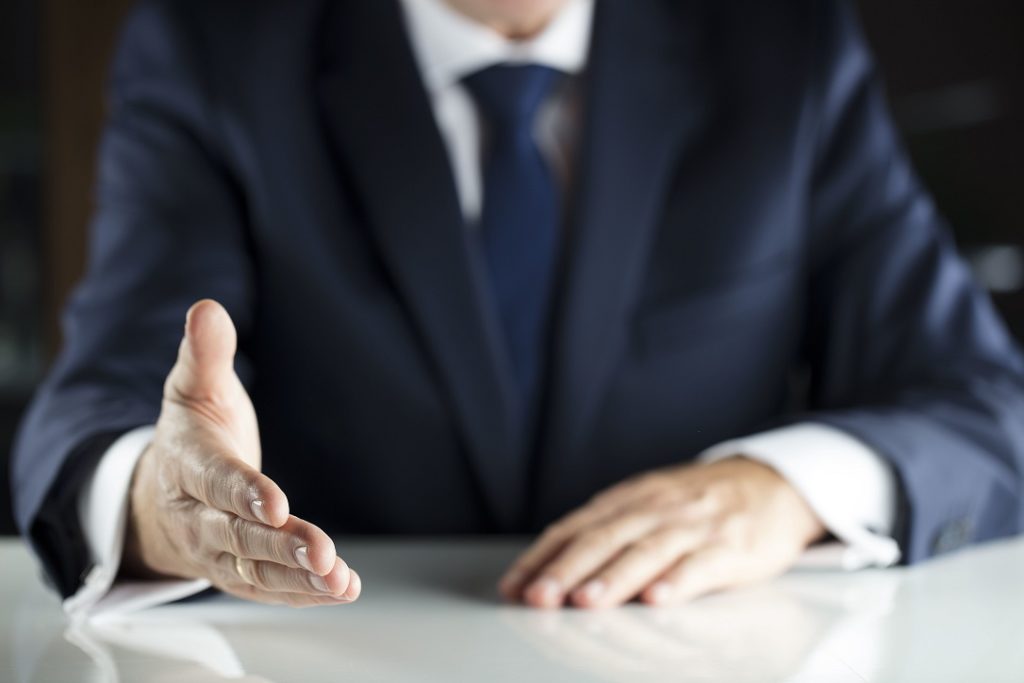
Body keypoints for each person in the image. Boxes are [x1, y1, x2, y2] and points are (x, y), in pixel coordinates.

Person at [13, 0, 1024, 615]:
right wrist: (164, 503)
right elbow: (106, 396)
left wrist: (783, 491)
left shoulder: (780, 41)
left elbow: (983, 403)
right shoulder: (214, 46)